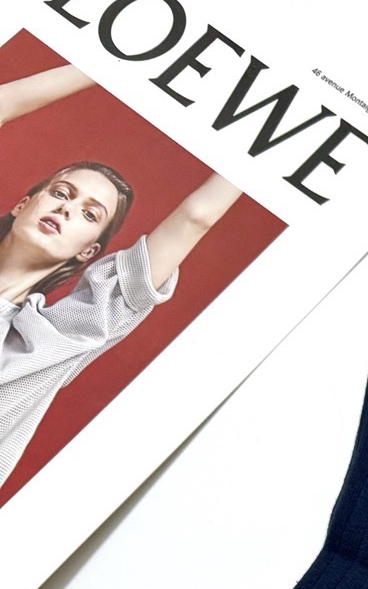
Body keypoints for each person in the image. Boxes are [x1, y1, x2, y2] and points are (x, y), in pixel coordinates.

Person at [0, 63, 241, 488]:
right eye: (61, 193)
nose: (67, 209)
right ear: (23, 204)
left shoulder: (58, 339)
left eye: (90, 214)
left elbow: (196, 217)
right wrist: (117, 58)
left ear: (88, 251)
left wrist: (255, 131)